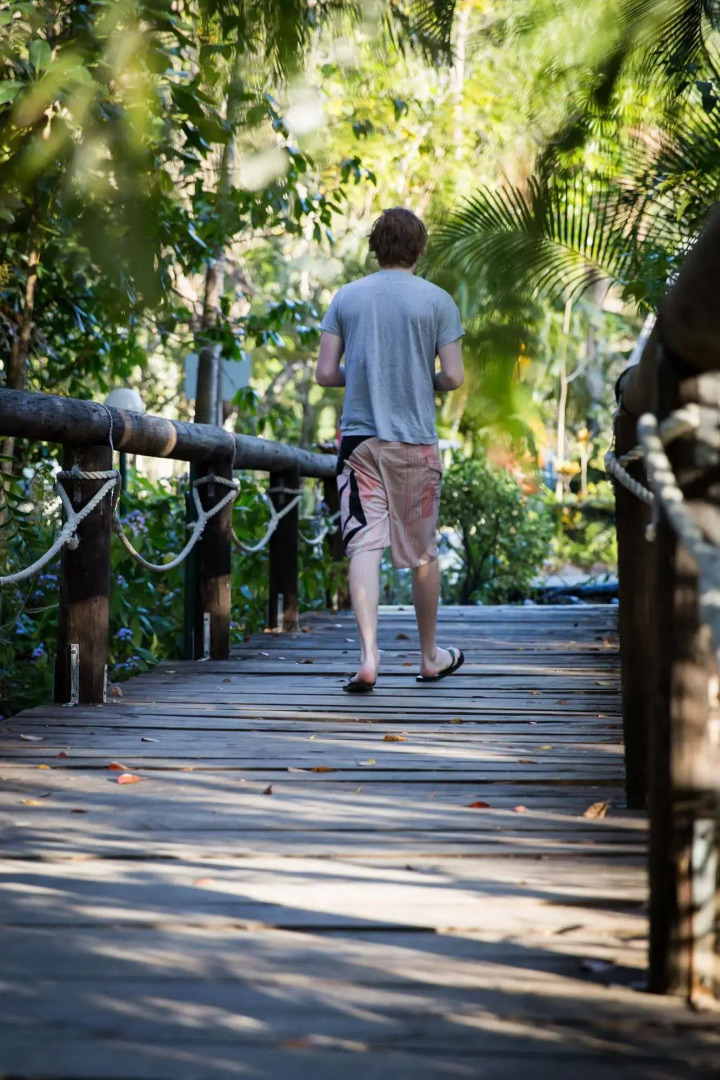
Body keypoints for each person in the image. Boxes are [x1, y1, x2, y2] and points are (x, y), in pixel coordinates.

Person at [315, 206, 465, 693]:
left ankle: (368, 658)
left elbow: (325, 374)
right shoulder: (438, 301)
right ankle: (428, 656)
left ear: (375, 247)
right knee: (422, 552)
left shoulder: (347, 297)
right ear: (419, 248)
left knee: (363, 545)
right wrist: (422, 378)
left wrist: (364, 374)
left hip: (358, 441)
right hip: (414, 443)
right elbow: (455, 377)